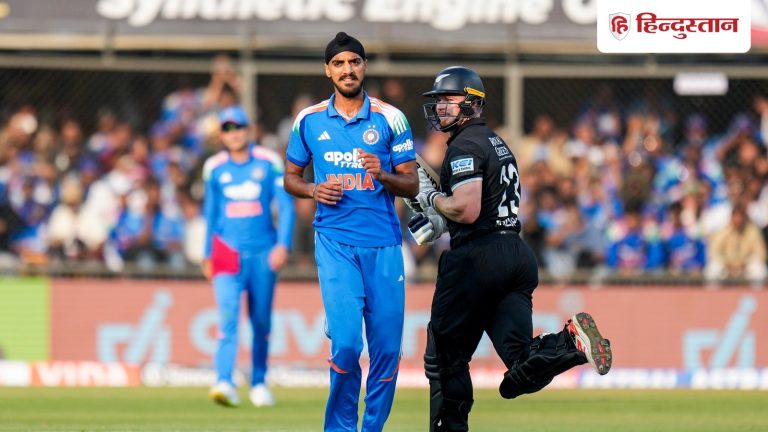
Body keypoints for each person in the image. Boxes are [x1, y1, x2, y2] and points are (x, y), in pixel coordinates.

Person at [408, 66, 613, 432]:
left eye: (448, 99)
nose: (440, 107)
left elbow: (466, 209)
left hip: (476, 260)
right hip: (515, 255)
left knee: (445, 360)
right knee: (520, 367)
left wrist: (433, 199)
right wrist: (442, 217)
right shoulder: (496, 142)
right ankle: (569, 344)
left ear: (472, 103)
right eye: (438, 101)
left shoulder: (464, 145)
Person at [283, 32, 418, 432]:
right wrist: (312, 190)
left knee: (387, 352)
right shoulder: (308, 120)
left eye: (354, 62)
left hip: (384, 246)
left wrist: (384, 174)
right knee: (345, 345)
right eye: (339, 63)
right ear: (328, 70)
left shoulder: (391, 118)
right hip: (335, 243)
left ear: (364, 67)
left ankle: (372, 428)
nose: (347, 70)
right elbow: (290, 177)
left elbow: (412, 184)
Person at [202, 106, 296, 408]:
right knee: (228, 317)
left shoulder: (268, 162)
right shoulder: (214, 167)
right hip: (226, 252)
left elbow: (286, 206)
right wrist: (207, 254)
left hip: (263, 252)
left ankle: (258, 383)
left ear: (249, 130)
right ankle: (223, 381)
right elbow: (211, 214)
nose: (234, 134)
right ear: (221, 135)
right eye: (227, 129)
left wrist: (282, 245)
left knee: (261, 321)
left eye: (238, 127)